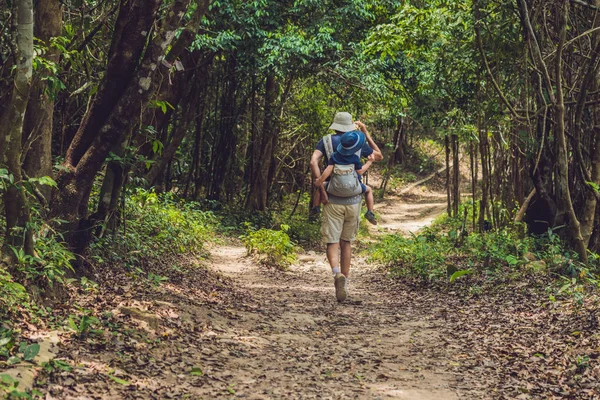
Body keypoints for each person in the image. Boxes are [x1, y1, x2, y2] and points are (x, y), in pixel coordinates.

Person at [310, 112, 383, 302]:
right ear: (351, 126)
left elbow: (313, 162)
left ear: (335, 126)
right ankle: (346, 281)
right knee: (346, 242)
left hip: (332, 199)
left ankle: (336, 275)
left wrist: (321, 188)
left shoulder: (326, 142)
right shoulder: (357, 142)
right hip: (353, 200)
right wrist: (366, 132)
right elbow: (378, 156)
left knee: (332, 241)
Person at [314, 130, 377, 225]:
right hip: (353, 189)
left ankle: (316, 207)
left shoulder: (334, 156)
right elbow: (360, 171)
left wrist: (320, 180)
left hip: (334, 188)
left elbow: (329, 169)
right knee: (368, 190)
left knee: (320, 188)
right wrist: (369, 162)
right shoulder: (355, 158)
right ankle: (370, 211)